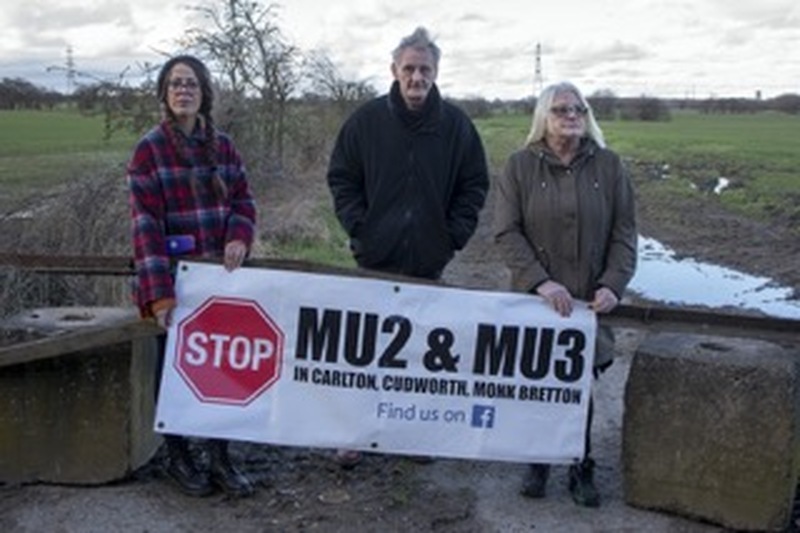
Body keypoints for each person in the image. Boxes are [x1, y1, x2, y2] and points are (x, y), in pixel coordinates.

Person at [326, 27, 490, 468]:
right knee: (363, 351)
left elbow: (475, 184)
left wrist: (452, 234)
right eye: (409, 68)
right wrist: (360, 226)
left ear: (436, 73)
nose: (417, 77)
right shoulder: (366, 121)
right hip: (375, 257)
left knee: (420, 352)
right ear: (394, 71)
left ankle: (414, 432)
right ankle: (355, 433)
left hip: (427, 260)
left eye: (425, 69)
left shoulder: (456, 126)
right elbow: (342, 177)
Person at [493, 81, 637, 507]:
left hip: (589, 302)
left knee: (581, 386)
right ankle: (538, 459)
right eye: (561, 110)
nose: (572, 115)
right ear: (543, 117)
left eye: (579, 109)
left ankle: (581, 463)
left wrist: (613, 283)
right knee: (538, 383)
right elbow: (505, 232)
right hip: (536, 299)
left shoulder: (610, 167)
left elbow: (625, 232)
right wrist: (541, 281)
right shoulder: (518, 167)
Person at [127, 54, 257, 498]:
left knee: (221, 372)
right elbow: (144, 225)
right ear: (165, 93)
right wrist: (159, 295)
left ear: (204, 93)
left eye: (192, 84)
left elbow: (243, 200)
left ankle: (220, 455)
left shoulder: (223, 147)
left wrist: (239, 237)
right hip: (173, 283)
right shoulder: (149, 150)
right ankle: (178, 455)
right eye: (176, 83)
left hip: (217, 283)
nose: (184, 90)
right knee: (173, 372)